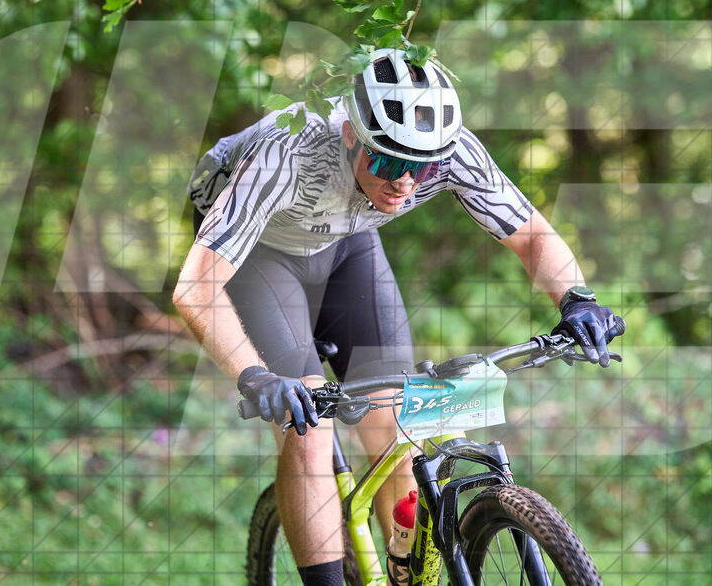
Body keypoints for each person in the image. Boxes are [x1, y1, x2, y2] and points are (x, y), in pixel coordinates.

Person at [173, 48, 622, 586]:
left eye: (421, 168)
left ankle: (402, 573)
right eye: (388, 162)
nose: (405, 181)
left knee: (398, 422)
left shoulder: (447, 150)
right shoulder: (287, 152)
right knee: (308, 425)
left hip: (346, 243)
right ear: (351, 135)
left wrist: (577, 299)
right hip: (257, 253)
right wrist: (256, 376)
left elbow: (528, 232)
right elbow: (195, 286)